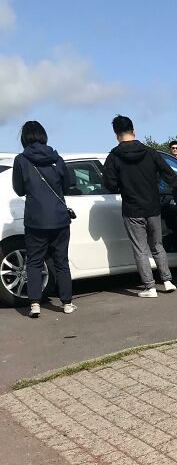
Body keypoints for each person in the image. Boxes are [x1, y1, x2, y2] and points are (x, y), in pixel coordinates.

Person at [102, 115, 177, 298]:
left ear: (116, 135)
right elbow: (169, 175)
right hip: (153, 207)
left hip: (132, 210)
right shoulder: (151, 153)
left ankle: (149, 287)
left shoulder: (114, 157)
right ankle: (168, 280)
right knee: (157, 245)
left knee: (140, 249)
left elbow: (109, 184)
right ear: (134, 131)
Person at [12, 121, 74, 318]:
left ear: (24, 138)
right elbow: (67, 185)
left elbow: (19, 189)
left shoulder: (21, 160)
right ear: (43, 135)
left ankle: (35, 305)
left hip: (35, 219)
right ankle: (67, 303)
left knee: (35, 262)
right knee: (61, 261)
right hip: (59, 217)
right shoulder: (57, 159)